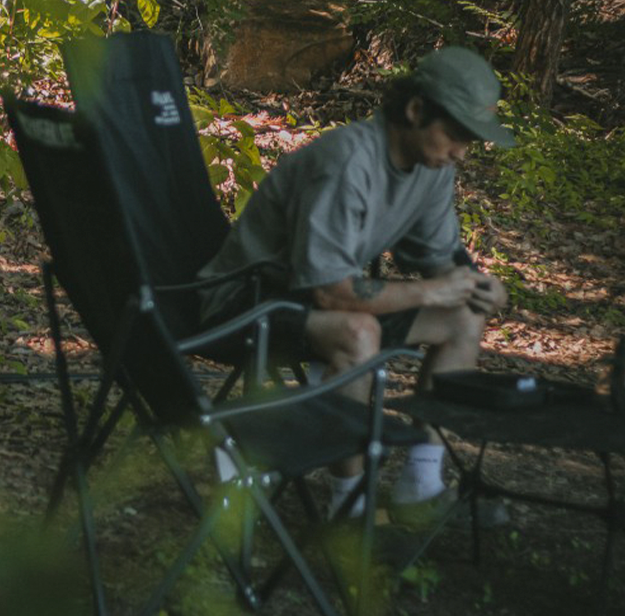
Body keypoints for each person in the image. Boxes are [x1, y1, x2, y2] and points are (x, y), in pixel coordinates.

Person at [198, 45, 515, 524]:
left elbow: (442, 260)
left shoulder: (433, 169)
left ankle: (421, 487)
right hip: (244, 303)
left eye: (471, 140)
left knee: (462, 318)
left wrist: (482, 287)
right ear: (414, 110)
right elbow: (329, 291)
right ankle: (350, 505)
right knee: (357, 332)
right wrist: (429, 292)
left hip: (308, 301)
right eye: (454, 134)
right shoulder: (349, 162)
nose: (460, 151)